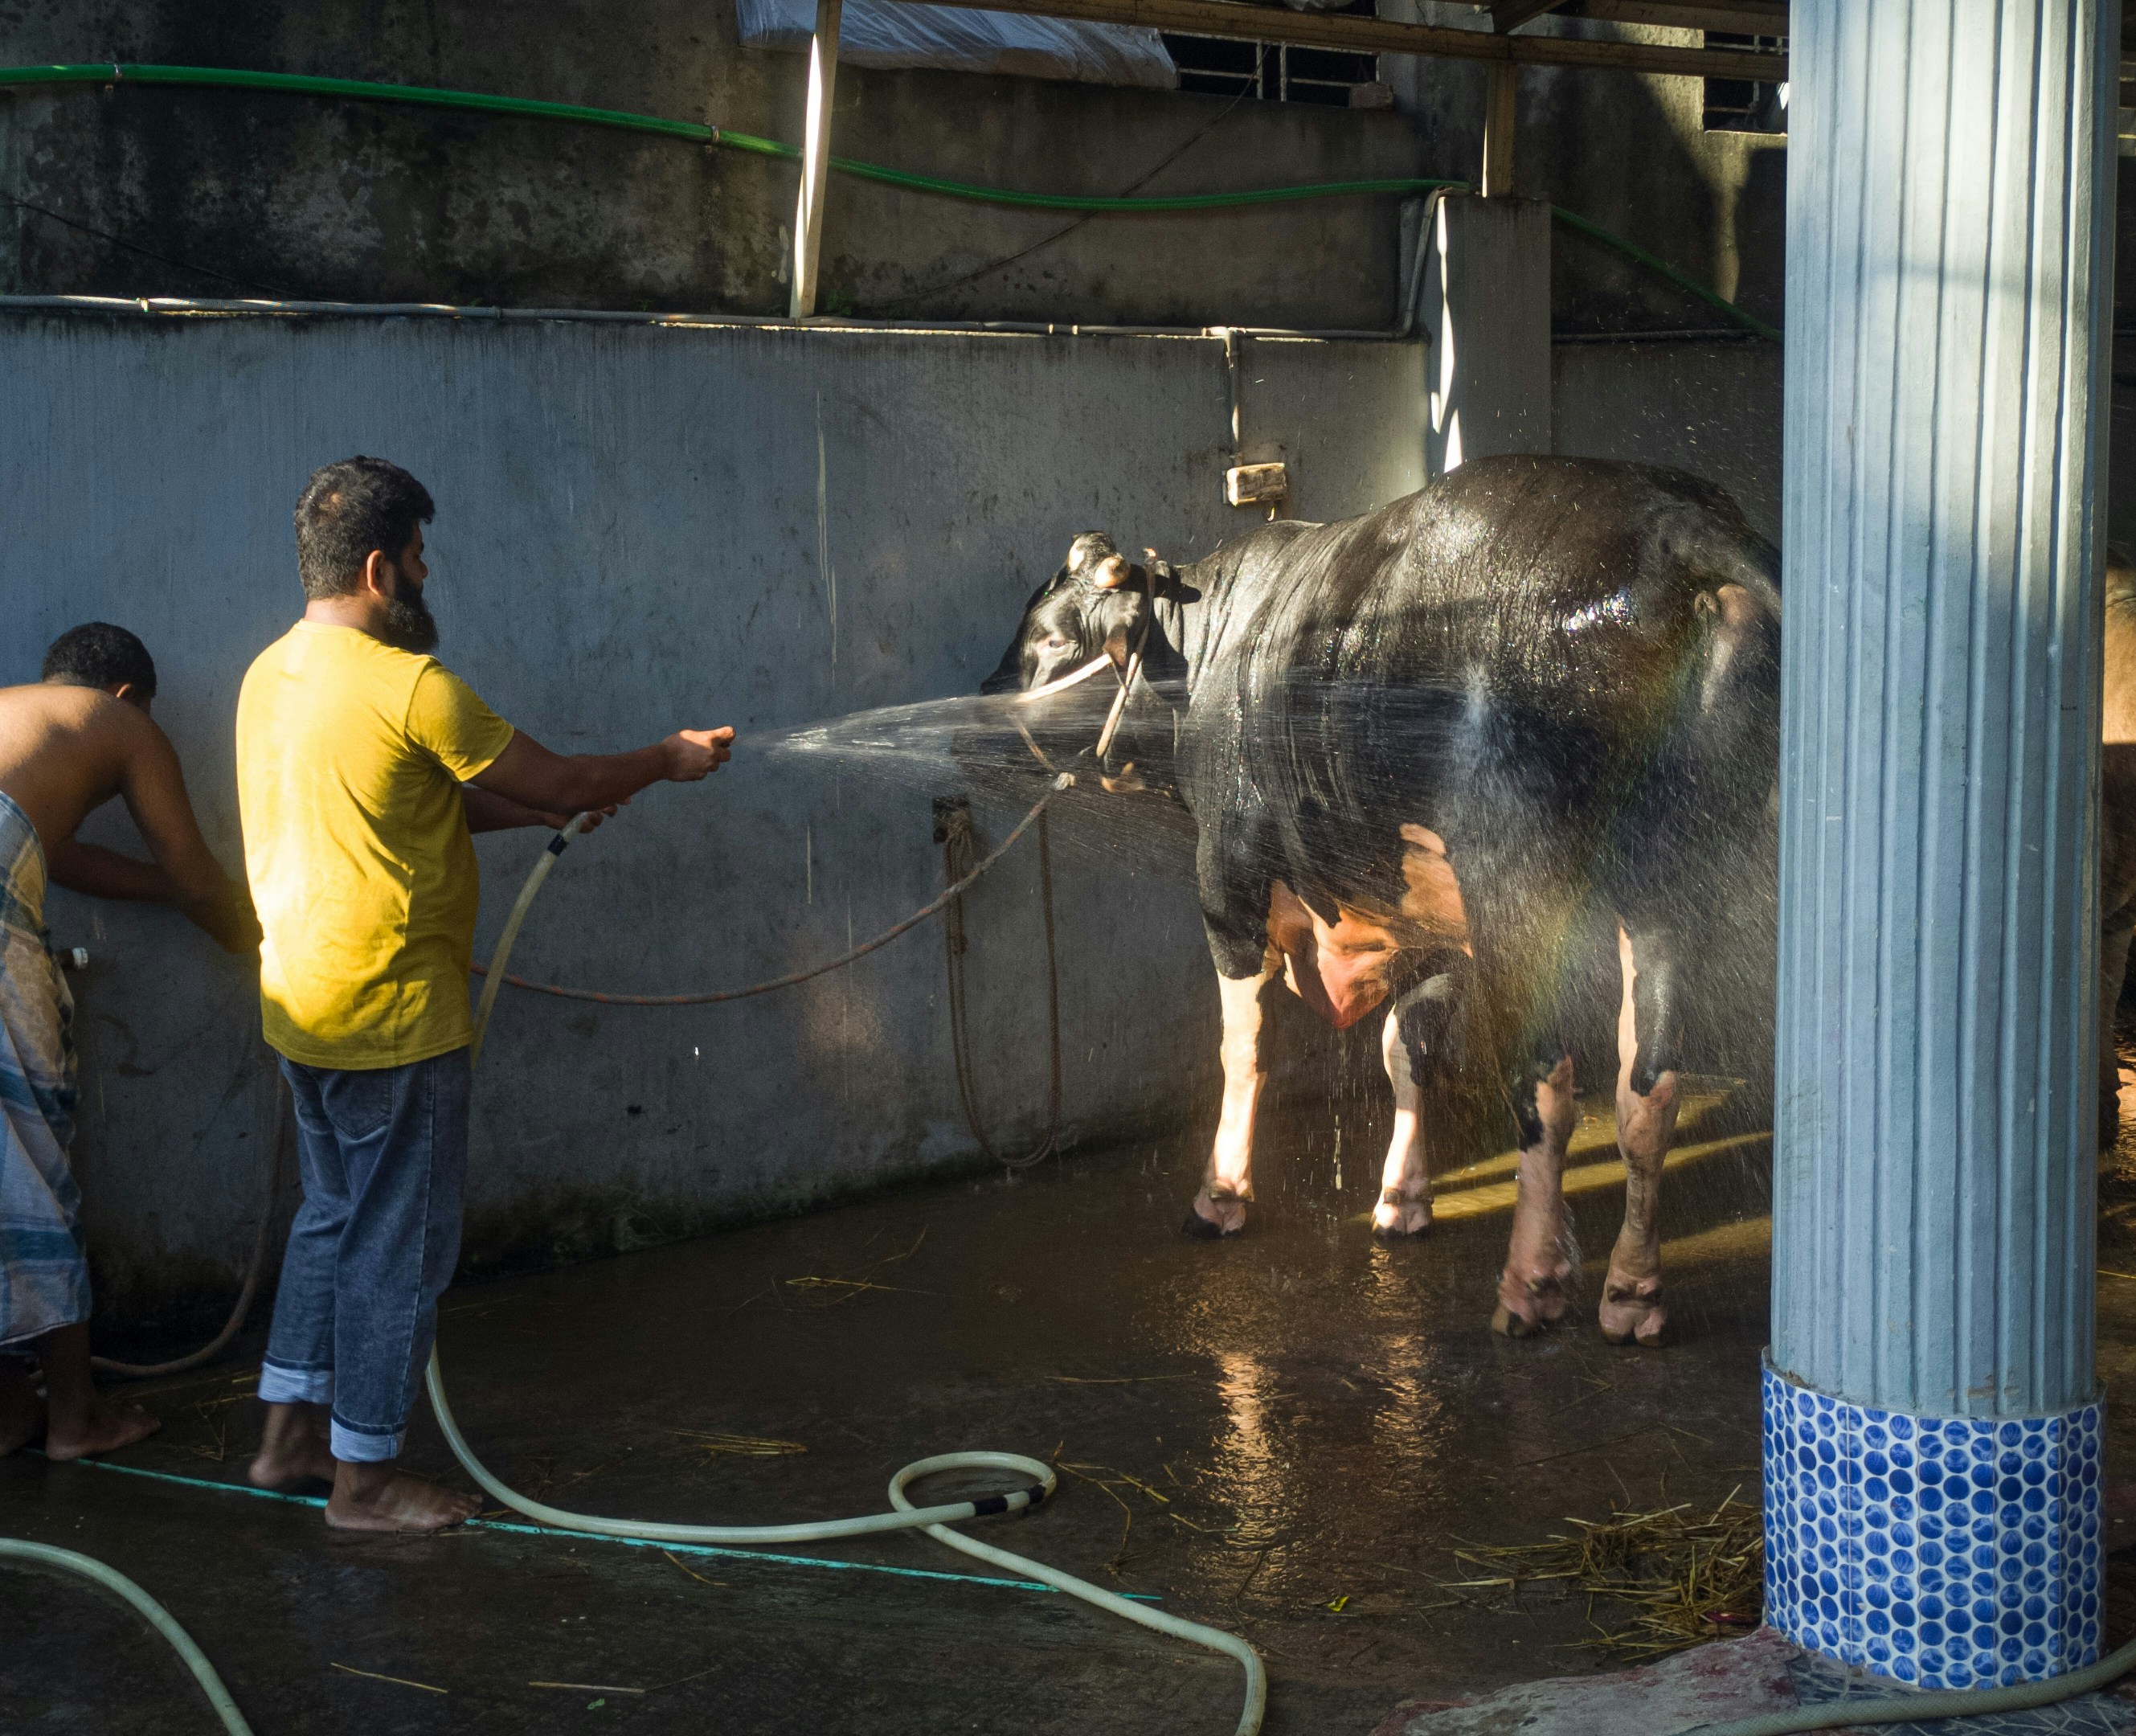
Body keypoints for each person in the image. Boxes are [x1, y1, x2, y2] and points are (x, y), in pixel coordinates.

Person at [238, 456, 734, 1533]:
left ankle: (287, 1442)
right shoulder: (412, 685)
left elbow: (413, 811)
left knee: (332, 1221)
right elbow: (557, 776)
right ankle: (363, 1482)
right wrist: (662, 760)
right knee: (396, 1249)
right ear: (380, 569)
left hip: (303, 1013)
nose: (426, 574)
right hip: (393, 1024)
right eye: (418, 557)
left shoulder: (270, 675)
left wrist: (542, 812)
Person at [0, 624, 259, 1459]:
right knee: (33, 1163)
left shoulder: (20, 722)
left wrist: (183, 897)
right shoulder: (122, 725)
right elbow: (191, 874)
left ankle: (9, 1412)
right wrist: (258, 932)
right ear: (125, 697)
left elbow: (63, 859)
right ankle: (76, 1416)